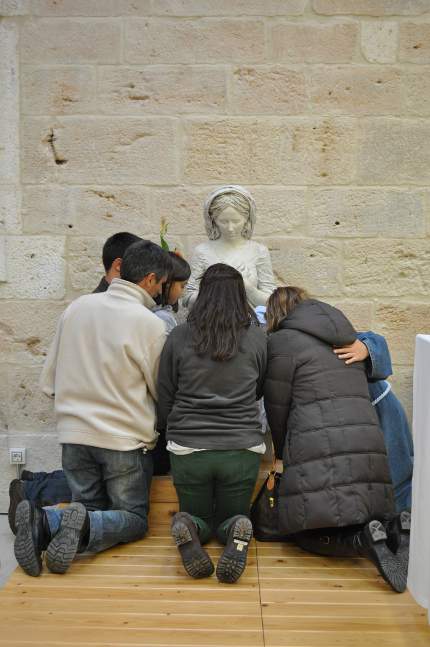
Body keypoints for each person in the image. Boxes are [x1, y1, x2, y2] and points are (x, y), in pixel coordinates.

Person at [13, 241, 172, 577]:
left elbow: (49, 380)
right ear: (150, 279)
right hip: (124, 440)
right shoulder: (149, 324)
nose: (161, 291)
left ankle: (45, 522)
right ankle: (68, 524)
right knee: (132, 519)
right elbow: (161, 390)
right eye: (161, 284)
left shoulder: (77, 308)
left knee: (89, 507)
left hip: (74, 434)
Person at [264, 287, 408, 593]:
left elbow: (277, 406)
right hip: (367, 441)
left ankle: (363, 542)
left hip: (316, 445)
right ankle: (394, 529)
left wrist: (280, 455)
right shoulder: (345, 333)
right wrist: (368, 349)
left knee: (301, 533)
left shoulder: (280, 342)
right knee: (355, 513)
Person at [157, 263, 267, 583]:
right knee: (233, 514)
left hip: (188, 447)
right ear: (240, 296)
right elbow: (260, 388)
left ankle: (188, 527)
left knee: (197, 515)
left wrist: (172, 431)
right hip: (241, 446)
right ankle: (236, 529)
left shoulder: (179, 336)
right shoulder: (258, 338)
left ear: (203, 295)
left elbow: (166, 392)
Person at [333, 334, 413, 512]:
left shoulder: (328, 330)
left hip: (379, 407)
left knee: (400, 491)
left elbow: (375, 342)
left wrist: (366, 348)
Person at [184, 185, 276, 308]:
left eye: (236, 221)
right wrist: (218, 287)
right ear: (213, 220)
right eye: (223, 221)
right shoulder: (202, 251)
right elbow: (187, 299)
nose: (230, 228)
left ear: (247, 219)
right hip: (209, 323)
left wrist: (247, 287)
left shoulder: (258, 251)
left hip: (249, 323)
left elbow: (271, 302)